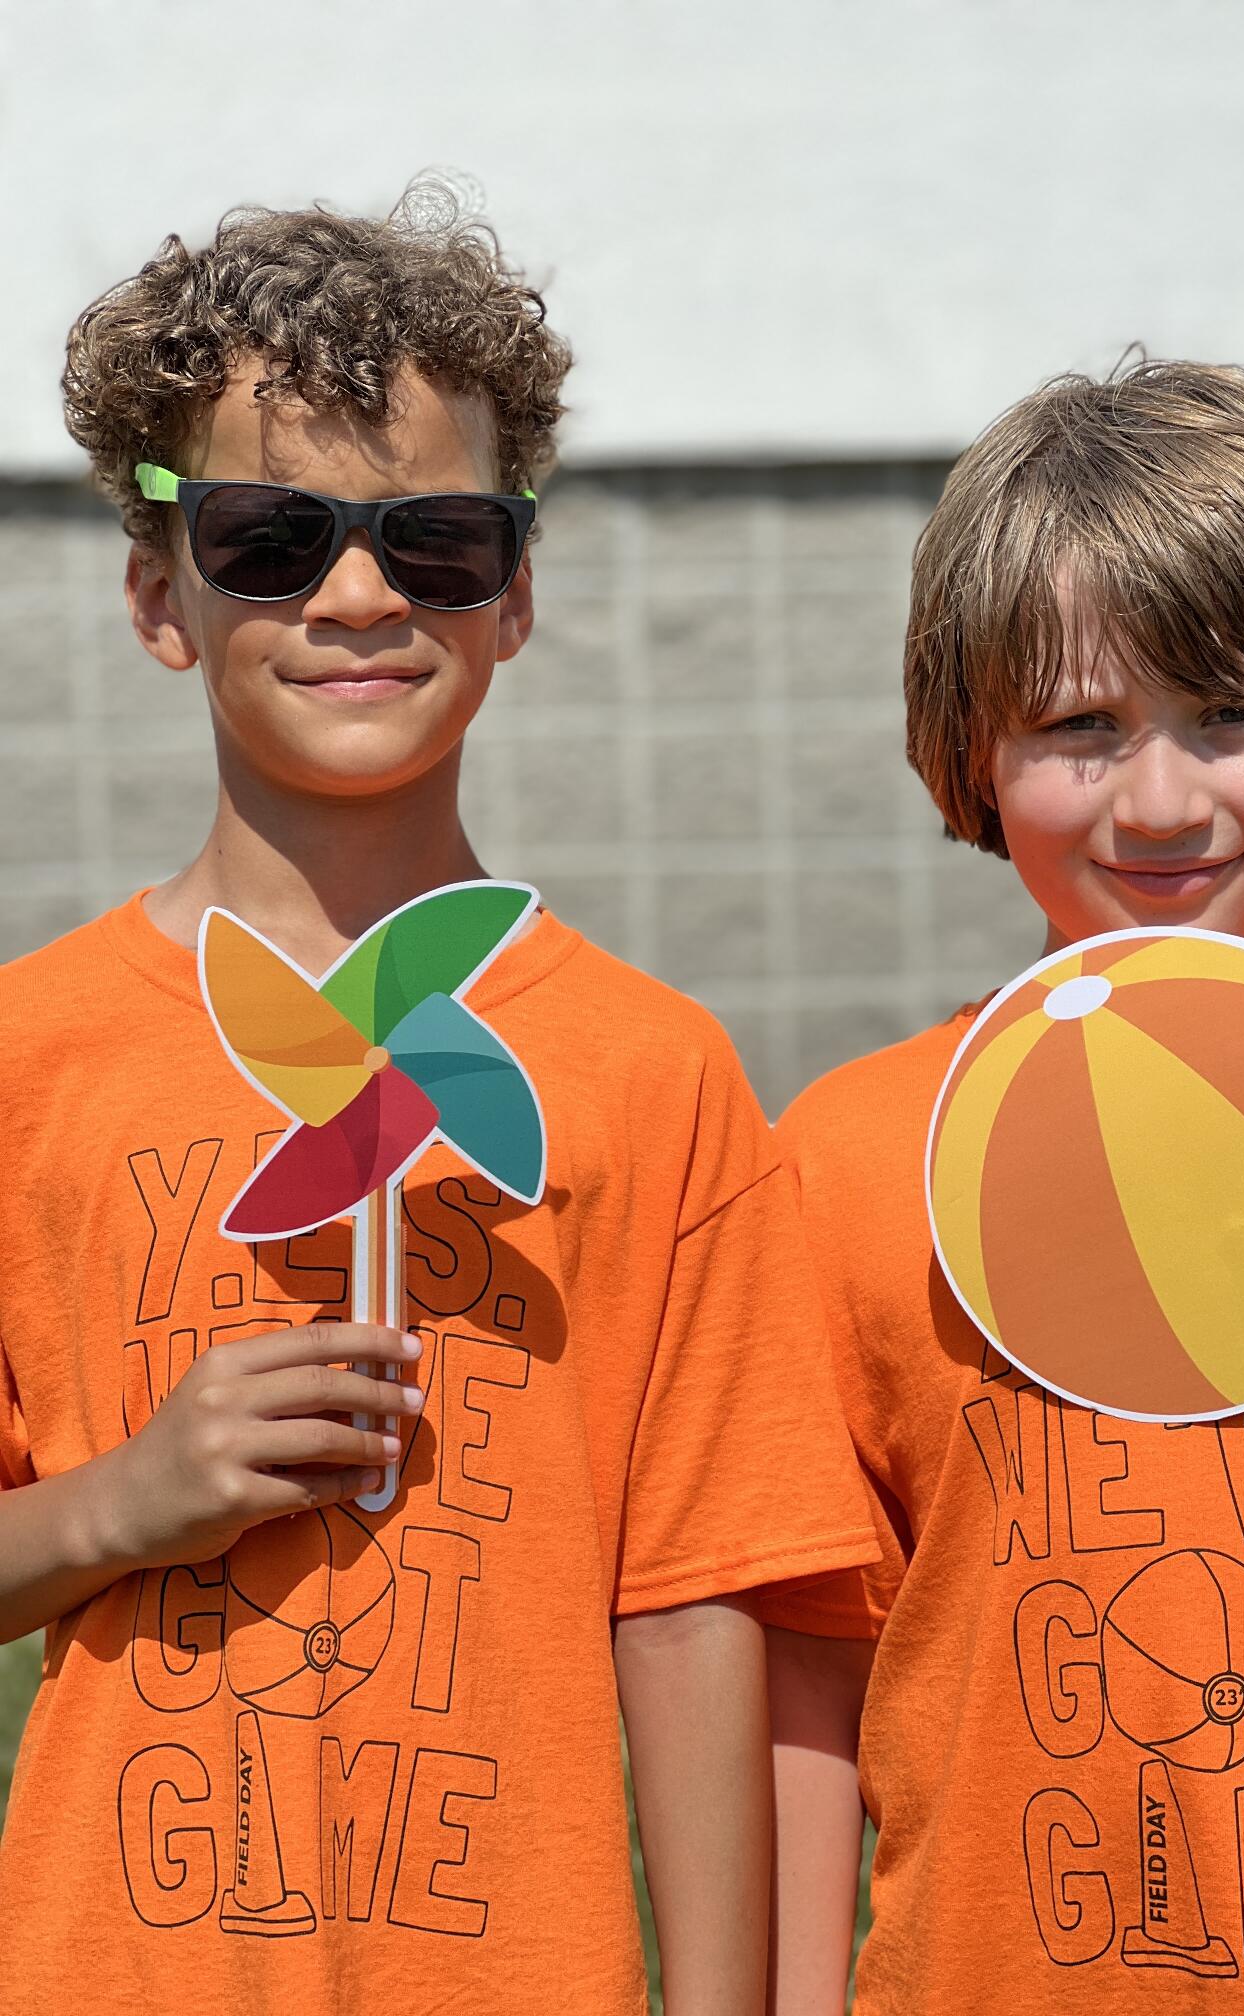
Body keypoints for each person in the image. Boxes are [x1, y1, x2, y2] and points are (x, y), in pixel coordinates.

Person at [0, 185, 877, 2016]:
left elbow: (697, 1596)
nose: (356, 595)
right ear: (161, 595)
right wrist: (125, 1500)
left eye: (439, 541)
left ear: (519, 593)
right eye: (266, 535)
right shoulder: (33, 1054)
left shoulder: (653, 1068)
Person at [762, 361, 1244, 2012]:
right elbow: (807, 1666)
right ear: (973, 753)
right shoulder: (839, 1163)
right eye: (1080, 729)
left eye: (1232, 717)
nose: (1162, 800)